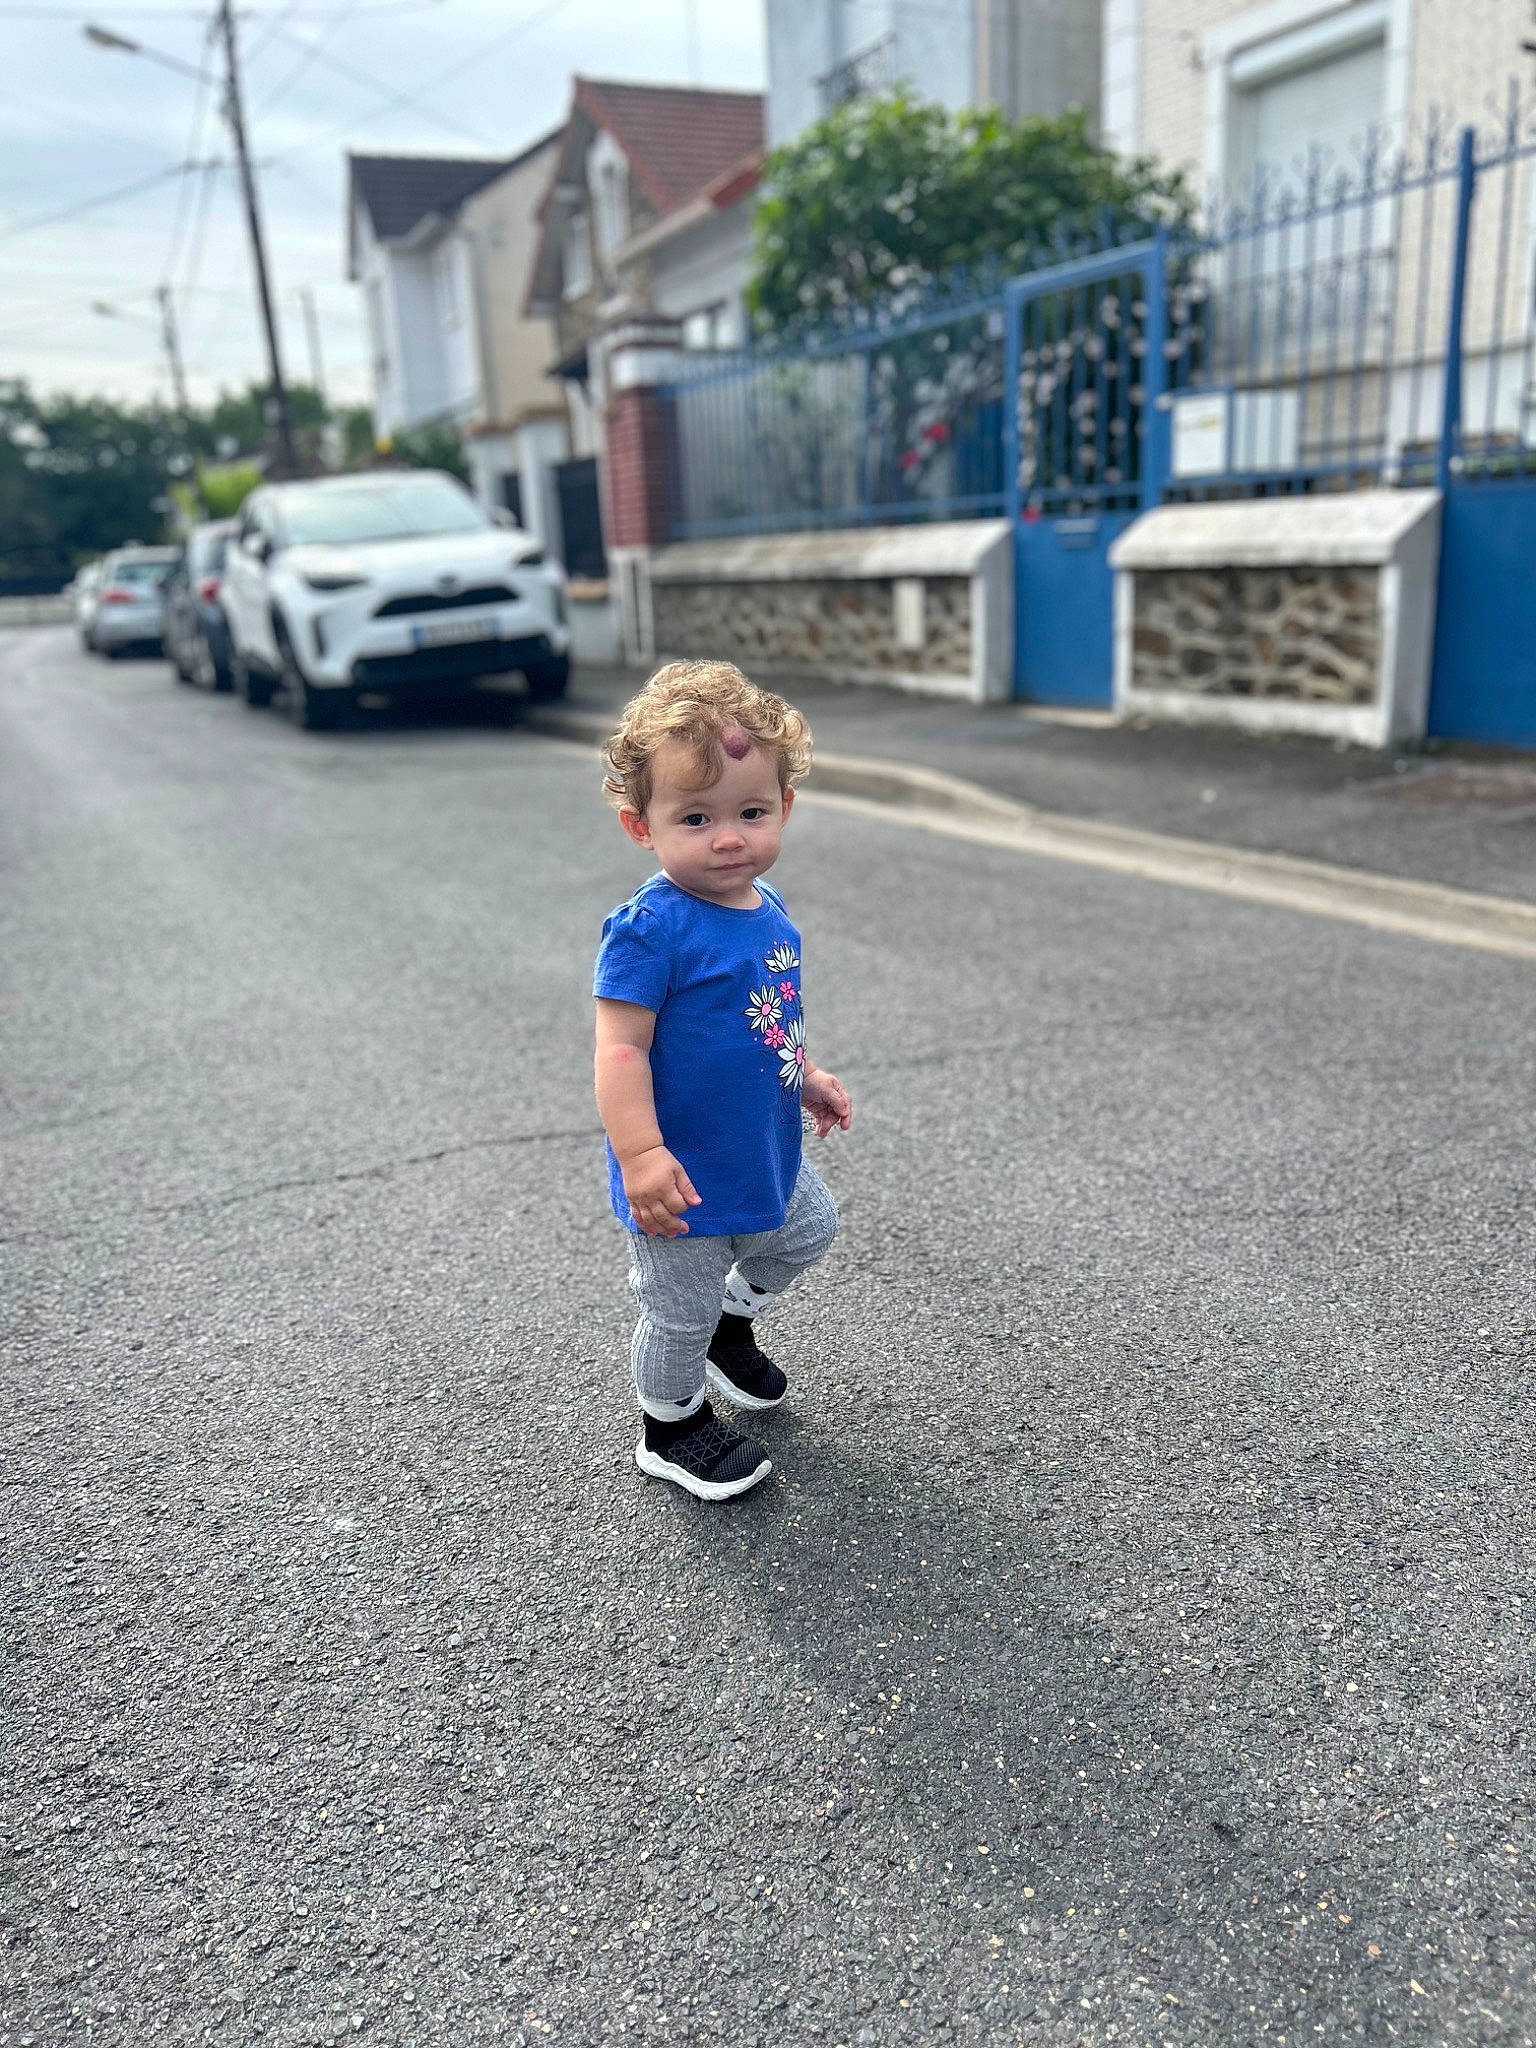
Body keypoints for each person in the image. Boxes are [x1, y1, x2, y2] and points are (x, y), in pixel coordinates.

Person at [593, 660, 853, 1501]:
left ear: (785, 806)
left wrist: (802, 1073)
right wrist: (640, 1154)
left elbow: (766, 1011)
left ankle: (728, 1327)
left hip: (759, 1145)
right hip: (681, 1171)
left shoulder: (765, 903)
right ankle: (669, 1427)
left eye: (751, 812)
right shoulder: (648, 930)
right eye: (696, 817)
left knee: (809, 1228)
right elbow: (621, 1052)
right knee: (676, 1310)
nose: (729, 836)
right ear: (642, 825)